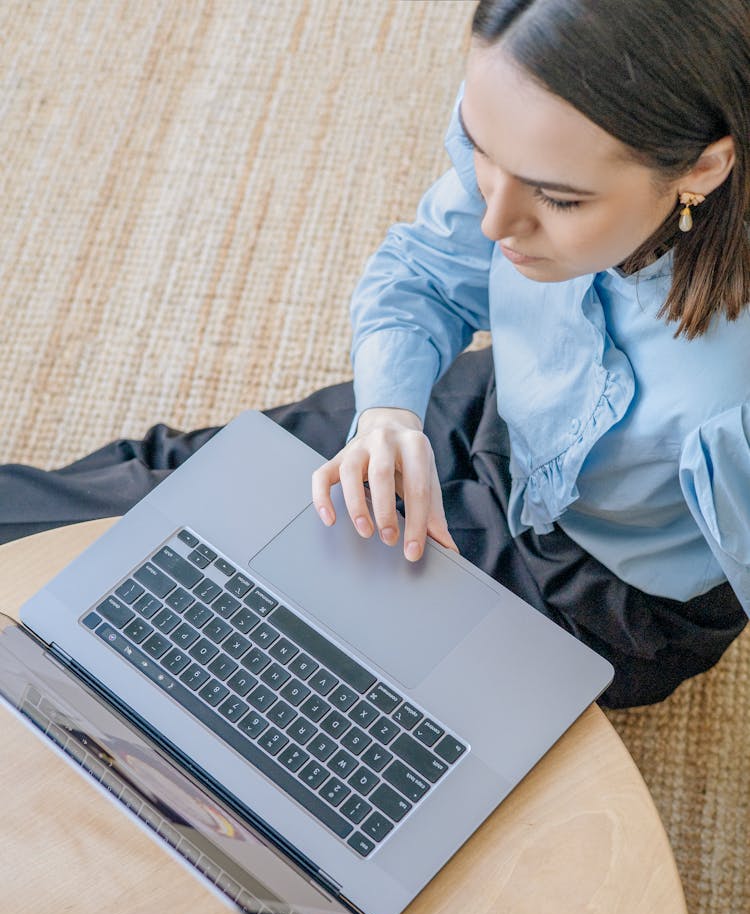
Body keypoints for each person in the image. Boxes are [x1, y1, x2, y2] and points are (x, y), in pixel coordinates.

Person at [1, 0, 748, 709]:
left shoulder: (729, 401)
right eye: (481, 150)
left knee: (270, 627)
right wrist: (388, 412)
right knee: (167, 482)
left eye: (557, 199)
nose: (493, 220)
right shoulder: (532, 149)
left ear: (702, 171)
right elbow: (425, 271)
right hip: (498, 414)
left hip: (597, 583)